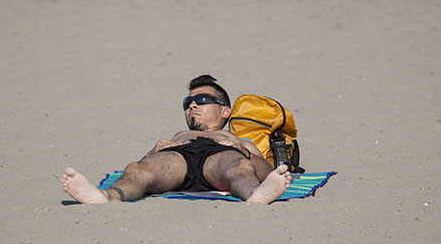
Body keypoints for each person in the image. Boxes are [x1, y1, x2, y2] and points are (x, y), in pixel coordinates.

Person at [61, 74, 292, 204]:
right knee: (138, 169)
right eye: (187, 103)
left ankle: (255, 196)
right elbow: (138, 169)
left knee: (239, 167)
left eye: (201, 100)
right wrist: (153, 152)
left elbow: (265, 171)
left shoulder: (233, 138)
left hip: (220, 154)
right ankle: (103, 196)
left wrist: (244, 150)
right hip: (181, 153)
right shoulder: (179, 136)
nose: (192, 105)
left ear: (225, 111)